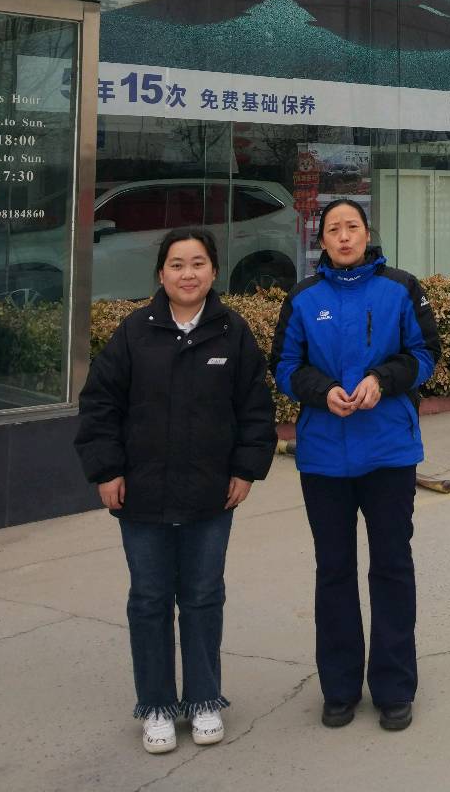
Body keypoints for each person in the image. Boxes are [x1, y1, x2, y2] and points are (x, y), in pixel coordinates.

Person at [74, 228, 277, 755]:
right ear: (161, 273)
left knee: (204, 596)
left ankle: (205, 698)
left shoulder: (232, 332)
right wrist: (106, 471)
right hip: (141, 495)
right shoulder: (134, 332)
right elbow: (100, 405)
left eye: (199, 263)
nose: (189, 274)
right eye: (177, 264)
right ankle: (157, 705)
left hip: (212, 494)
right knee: (149, 599)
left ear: (214, 271)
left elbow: (255, 409)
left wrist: (246, 469)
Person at [271, 199, 440, 732]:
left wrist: (381, 380)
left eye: (352, 227)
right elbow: (285, 366)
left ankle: (394, 687)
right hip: (324, 456)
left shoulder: (401, 288)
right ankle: (340, 687)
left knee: (391, 567)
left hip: (388, 451)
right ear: (321, 240)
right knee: (334, 570)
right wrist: (322, 391)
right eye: (333, 230)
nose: (344, 237)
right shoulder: (303, 298)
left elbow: (425, 355)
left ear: (368, 234)